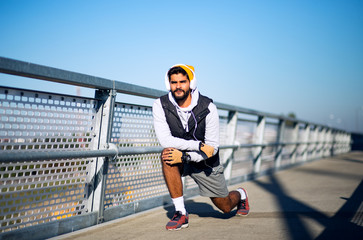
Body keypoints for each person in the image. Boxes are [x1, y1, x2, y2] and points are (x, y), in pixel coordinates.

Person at [152, 64, 249, 231]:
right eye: (174, 82)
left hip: (205, 162)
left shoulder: (208, 108)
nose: (178, 86)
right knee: (167, 154)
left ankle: (241, 194)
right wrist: (197, 145)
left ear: (192, 82)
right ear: (168, 84)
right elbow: (166, 140)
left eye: (182, 82)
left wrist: (187, 156)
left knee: (225, 207)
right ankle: (181, 213)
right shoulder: (160, 105)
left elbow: (212, 149)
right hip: (180, 155)